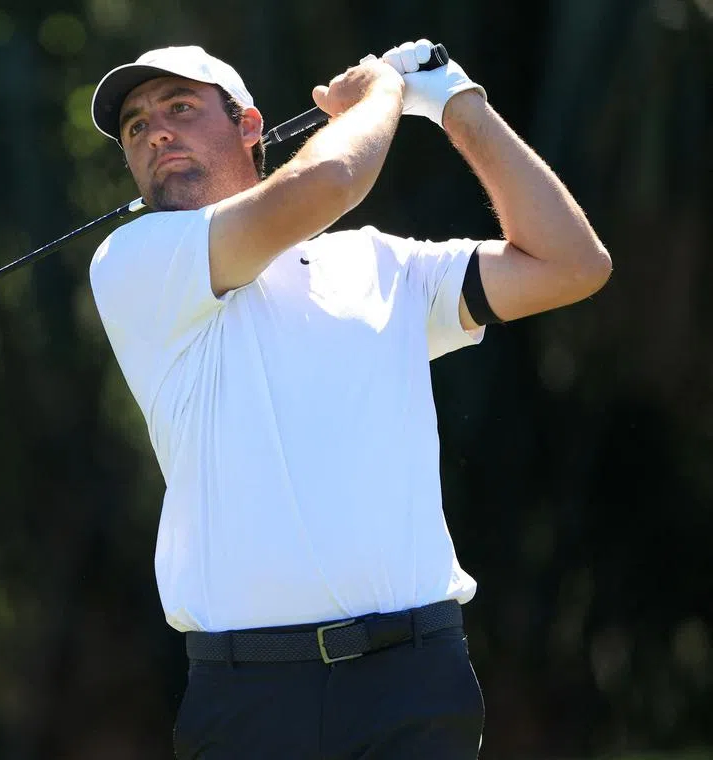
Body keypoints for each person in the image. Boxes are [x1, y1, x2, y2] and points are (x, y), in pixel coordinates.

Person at [86, 40, 611, 759]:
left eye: (179, 107)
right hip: (250, 700)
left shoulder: (379, 263)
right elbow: (332, 177)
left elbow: (571, 263)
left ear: (250, 128)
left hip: (414, 684)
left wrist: (456, 103)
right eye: (137, 127)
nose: (157, 133)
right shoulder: (136, 261)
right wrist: (382, 96)